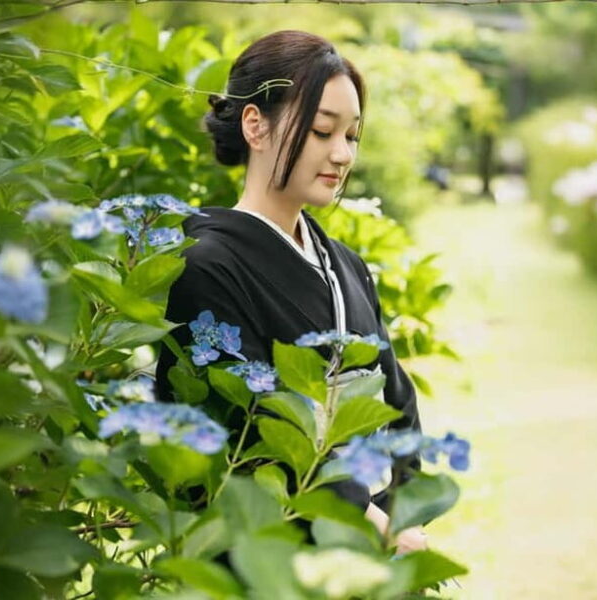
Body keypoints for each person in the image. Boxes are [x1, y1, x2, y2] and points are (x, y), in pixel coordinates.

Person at [154, 30, 428, 555]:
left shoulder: (346, 265)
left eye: (351, 135)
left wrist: (404, 509)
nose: (342, 154)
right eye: (323, 131)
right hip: (271, 557)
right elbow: (252, 434)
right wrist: (372, 523)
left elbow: (398, 403)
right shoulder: (205, 266)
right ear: (255, 125)